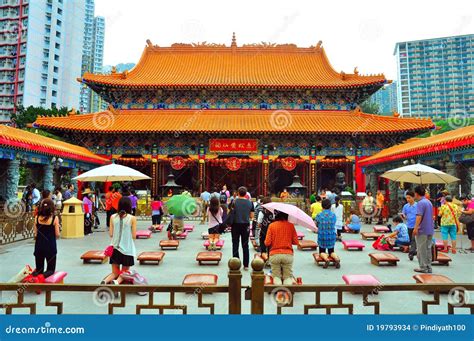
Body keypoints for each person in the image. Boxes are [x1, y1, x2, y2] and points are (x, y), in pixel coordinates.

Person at [102, 197, 137, 285]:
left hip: (114, 249)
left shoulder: (112, 217)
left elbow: (111, 234)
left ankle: (105, 281)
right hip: (127, 250)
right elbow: (134, 236)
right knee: (124, 272)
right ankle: (116, 282)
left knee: (115, 272)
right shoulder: (132, 218)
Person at [264, 211, 300, 285]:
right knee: (287, 277)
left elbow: (267, 243)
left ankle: (278, 289)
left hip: (274, 255)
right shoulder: (291, 226)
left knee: (276, 276)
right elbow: (296, 242)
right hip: (288, 254)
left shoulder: (272, 225)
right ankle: (286, 290)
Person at [32, 198, 60, 279]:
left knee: (39, 269)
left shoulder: (37, 218)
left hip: (39, 246)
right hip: (50, 247)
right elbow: (57, 234)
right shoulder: (55, 218)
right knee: (51, 269)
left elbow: (35, 234)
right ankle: (41, 278)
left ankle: (36, 277)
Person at [230, 186, 255, 269]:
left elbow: (229, 212)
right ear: (246, 194)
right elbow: (252, 216)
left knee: (235, 243)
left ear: (238, 193)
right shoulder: (250, 203)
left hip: (235, 224)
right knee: (245, 245)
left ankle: (235, 263)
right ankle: (246, 265)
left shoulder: (234, 202)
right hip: (245, 225)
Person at [412, 186, 434, 273]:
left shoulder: (420, 203)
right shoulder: (429, 202)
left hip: (422, 229)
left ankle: (423, 267)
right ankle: (428, 267)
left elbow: (419, 216)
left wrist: (416, 227)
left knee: (421, 249)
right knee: (428, 248)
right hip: (430, 228)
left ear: (416, 193)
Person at [316, 199, 339, 268]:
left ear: (322, 206)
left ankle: (326, 259)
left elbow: (316, 224)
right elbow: (334, 223)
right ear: (330, 206)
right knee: (331, 251)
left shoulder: (319, 215)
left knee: (322, 251)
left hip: (322, 235)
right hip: (331, 235)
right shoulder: (333, 215)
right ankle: (336, 259)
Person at [401, 191, 418, 260]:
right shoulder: (406, 206)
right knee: (411, 239)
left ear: (413, 197)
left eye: (409, 198)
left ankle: (411, 252)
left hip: (416, 225)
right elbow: (403, 213)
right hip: (409, 225)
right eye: (407, 198)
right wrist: (404, 216)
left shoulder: (417, 205)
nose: (408, 199)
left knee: (414, 239)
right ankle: (414, 250)